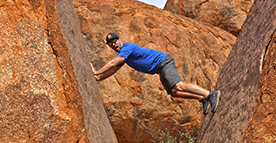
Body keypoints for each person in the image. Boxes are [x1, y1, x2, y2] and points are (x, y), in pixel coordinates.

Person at [91, 32, 220, 114]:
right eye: (110, 44)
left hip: (163, 62)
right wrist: (98, 78)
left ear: (119, 39)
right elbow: (113, 69)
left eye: (114, 42)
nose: (113, 45)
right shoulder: (124, 56)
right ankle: (201, 97)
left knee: (178, 86)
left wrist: (96, 72)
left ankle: (210, 94)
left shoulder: (126, 48)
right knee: (174, 93)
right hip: (159, 68)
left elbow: (113, 63)